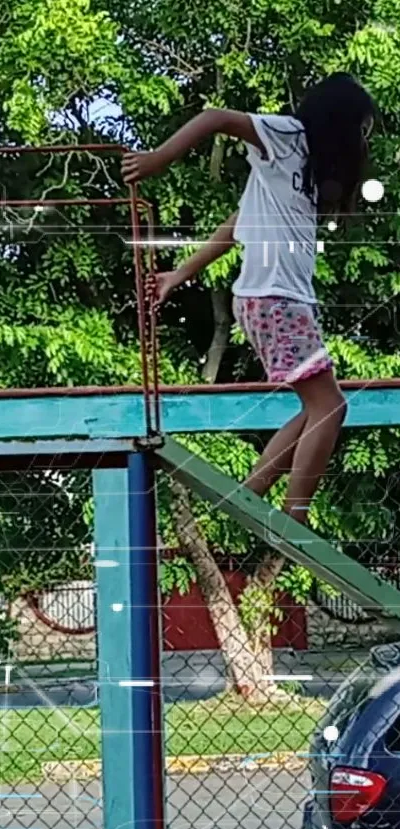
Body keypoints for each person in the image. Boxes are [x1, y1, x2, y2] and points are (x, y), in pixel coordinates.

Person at [121, 72, 375, 525]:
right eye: (361, 130)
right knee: (330, 407)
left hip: (278, 300)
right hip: (275, 299)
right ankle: (293, 517)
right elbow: (216, 117)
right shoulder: (286, 134)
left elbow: (238, 223)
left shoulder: (304, 169)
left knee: (318, 407)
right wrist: (158, 158)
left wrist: (178, 275)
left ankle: (252, 494)